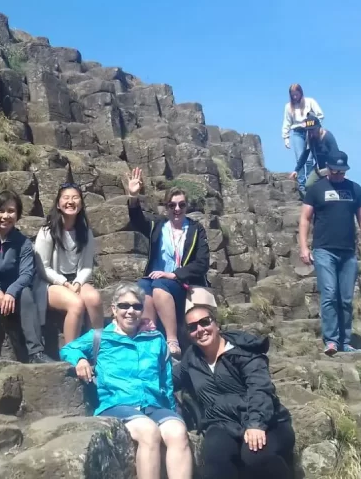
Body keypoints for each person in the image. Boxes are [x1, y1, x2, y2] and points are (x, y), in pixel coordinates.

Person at [61, 283, 192, 479]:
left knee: (178, 432)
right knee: (149, 432)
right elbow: (68, 349)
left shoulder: (155, 339)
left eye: (137, 306)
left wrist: (172, 411)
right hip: (116, 404)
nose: (130, 311)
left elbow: (166, 382)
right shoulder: (99, 337)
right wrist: (80, 359)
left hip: (154, 405)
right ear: (114, 309)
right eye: (124, 306)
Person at [175, 305, 294, 479]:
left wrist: (256, 424)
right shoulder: (192, 358)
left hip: (267, 421)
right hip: (221, 423)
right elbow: (169, 379)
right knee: (214, 462)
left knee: (255, 456)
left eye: (204, 322)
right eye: (192, 327)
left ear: (216, 324)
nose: (200, 330)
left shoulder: (243, 352)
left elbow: (259, 388)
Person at [126, 167, 210, 357]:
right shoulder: (158, 225)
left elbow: (202, 263)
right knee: (142, 285)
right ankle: (150, 334)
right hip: (157, 280)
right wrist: (133, 197)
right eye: (172, 205)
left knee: (159, 284)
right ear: (166, 207)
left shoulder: (196, 230)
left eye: (181, 205)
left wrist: (174, 274)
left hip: (183, 283)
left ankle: (172, 340)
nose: (177, 209)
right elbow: (137, 220)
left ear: (187, 206)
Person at [0, 190, 53, 363]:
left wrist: (11, 292)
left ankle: (36, 352)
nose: (6, 216)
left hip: (13, 295)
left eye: (11, 211)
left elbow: (27, 274)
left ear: (18, 214)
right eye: (1, 211)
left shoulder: (23, 243)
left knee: (27, 293)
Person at [299, 151, 361, 355]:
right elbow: (305, 218)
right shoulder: (316, 189)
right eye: (335, 171)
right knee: (330, 294)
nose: (339, 174)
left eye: (342, 171)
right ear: (328, 169)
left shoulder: (354, 189)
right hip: (324, 250)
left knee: (346, 298)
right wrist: (304, 247)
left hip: (348, 252)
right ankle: (331, 341)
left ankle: (345, 341)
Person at [34, 182, 103, 343]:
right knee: (76, 304)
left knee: (94, 299)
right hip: (50, 283)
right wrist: (65, 283)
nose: (70, 201)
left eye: (75, 198)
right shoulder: (47, 231)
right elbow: (42, 267)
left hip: (76, 281)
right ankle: (71, 353)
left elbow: (86, 266)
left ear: (81, 204)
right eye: (66, 198)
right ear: (58, 204)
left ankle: (98, 348)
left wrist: (78, 282)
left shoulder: (85, 232)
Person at [281, 84, 324, 197]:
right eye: (293, 95)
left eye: (297, 94)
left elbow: (320, 115)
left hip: (309, 131)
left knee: (309, 159)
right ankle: (301, 185)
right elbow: (287, 122)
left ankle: (310, 185)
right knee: (300, 157)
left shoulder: (310, 102)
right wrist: (286, 137)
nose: (295, 97)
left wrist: (313, 125)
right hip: (297, 132)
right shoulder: (288, 107)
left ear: (301, 92)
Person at [290, 113, 339, 192]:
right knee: (308, 186)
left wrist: (334, 171)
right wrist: (296, 170)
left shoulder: (328, 137)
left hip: (331, 169)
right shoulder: (309, 138)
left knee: (332, 188)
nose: (311, 133)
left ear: (319, 128)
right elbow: (305, 154)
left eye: (313, 130)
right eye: (309, 130)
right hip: (319, 169)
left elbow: (336, 155)